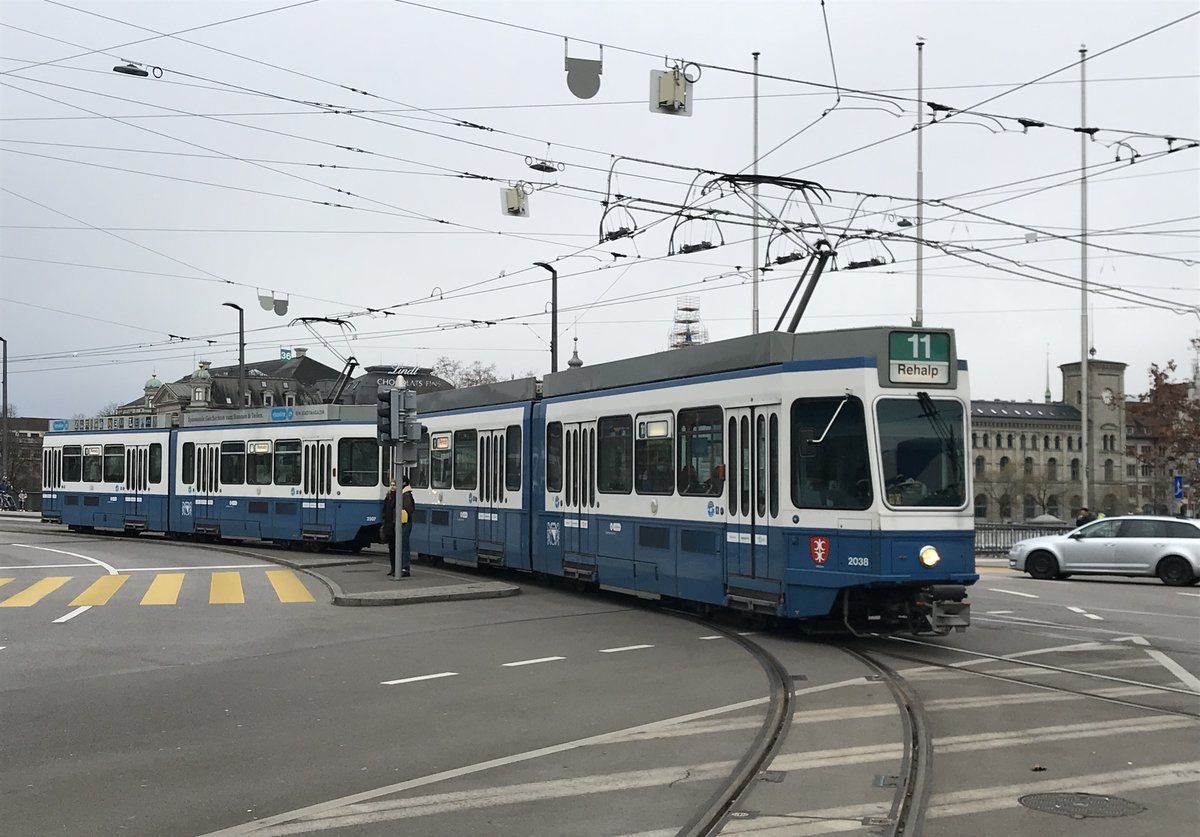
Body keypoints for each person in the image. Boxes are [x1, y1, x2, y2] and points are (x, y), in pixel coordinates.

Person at [381, 479, 406, 577]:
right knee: (391, 548)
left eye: (394, 485)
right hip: (389, 526)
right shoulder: (388, 497)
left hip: (395, 525)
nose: (392, 487)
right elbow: (384, 511)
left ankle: (397, 568)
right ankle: (393, 568)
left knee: (397, 548)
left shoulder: (399, 497)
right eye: (391, 485)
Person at [400, 476, 415, 576]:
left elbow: (408, 509)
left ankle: (405, 568)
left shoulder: (406, 495)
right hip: (404, 521)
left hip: (405, 522)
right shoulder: (405, 493)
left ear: (404, 483)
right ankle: (403, 567)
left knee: (404, 546)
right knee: (403, 545)